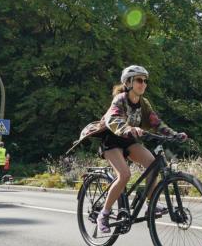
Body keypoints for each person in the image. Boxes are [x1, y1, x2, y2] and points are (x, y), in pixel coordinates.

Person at [79, 65, 188, 233]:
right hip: (112, 140)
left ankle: (150, 204)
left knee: (153, 165)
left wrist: (174, 134)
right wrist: (129, 129)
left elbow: (156, 123)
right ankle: (104, 214)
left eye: (145, 81)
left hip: (129, 141)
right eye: (139, 80)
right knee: (124, 175)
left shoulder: (143, 103)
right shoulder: (120, 99)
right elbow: (114, 119)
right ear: (129, 82)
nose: (143, 83)